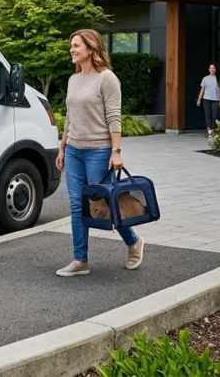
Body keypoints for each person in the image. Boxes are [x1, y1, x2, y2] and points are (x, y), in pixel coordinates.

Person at [55, 28, 144, 277]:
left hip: (98, 151)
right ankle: (80, 260)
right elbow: (70, 119)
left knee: (104, 203)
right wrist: (62, 148)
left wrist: (116, 151)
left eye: (76, 45)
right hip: (74, 151)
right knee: (76, 205)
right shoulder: (74, 79)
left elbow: (114, 117)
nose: (72, 50)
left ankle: (133, 241)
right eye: (71, 45)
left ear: (91, 49)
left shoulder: (107, 79)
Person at [197, 64, 220, 139]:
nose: (212, 69)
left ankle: (214, 130)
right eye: (210, 68)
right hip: (206, 99)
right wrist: (199, 99)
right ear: (209, 69)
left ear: (216, 69)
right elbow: (202, 89)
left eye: (213, 68)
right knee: (208, 115)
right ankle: (209, 131)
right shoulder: (205, 78)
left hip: (216, 100)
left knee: (215, 116)